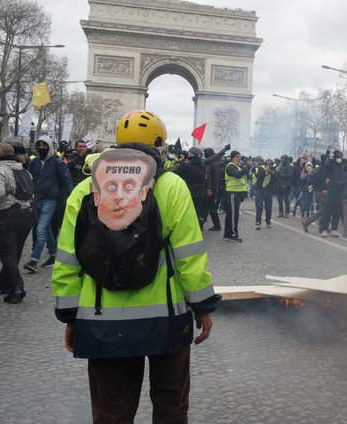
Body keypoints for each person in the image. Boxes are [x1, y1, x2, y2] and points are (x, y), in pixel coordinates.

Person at [51, 110, 220, 422]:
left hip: (101, 321)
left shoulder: (85, 189)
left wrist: (70, 316)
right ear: (160, 143)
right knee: (171, 408)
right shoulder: (171, 186)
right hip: (166, 319)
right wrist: (203, 306)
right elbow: (190, 256)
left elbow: (67, 262)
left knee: (111, 413)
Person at [0, 142, 34, 303]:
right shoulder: (25, 171)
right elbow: (32, 193)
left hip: (7, 215)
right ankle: (4, 282)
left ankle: (17, 288)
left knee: (7, 254)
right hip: (26, 215)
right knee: (15, 253)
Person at [23, 135, 72, 273]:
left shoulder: (58, 163)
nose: (41, 148)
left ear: (50, 146)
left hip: (51, 200)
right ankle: (54, 254)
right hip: (36, 200)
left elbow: (66, 183)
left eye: (44, 145)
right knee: (47, 230)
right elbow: (29, 178)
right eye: (39, 145)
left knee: (41, 228)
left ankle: (34, 260)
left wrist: (70, 201)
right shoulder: (34, 163)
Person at [174, 147, 209, 229]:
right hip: (201, 192)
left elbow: (174, 174)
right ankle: (198, 228)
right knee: (197, 212)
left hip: (189, 192)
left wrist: (178, 162)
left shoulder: (185, 165)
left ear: (190, 154)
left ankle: (189, 229)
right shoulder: (203, 165)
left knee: (188, 212)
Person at [223, 151, 248, 241]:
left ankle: (227, 234)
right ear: (233, 157)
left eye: (240, 157)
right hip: (232, 193)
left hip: (236, 193)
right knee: (234, 215)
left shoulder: (237, 166)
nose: (239, 158)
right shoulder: (230, 166)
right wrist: (247, 167)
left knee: (230, 214)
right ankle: (233, 235)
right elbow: (238, 175)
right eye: (237, 157)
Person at [253, 159, 276, 229]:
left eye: (270, 165)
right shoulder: (261, 169)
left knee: (268, 208)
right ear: (265, 164)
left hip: (268, 192)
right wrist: (265, 172)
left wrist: (272, 173)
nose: (269, 166)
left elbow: (276, 180)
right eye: (267, 165)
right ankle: (258, 222)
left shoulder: (273, 171)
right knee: (259, 207)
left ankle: (268, 221)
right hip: (259, 191)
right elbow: (257, 176)